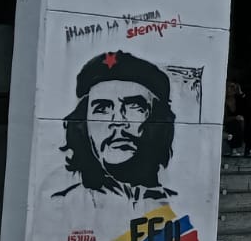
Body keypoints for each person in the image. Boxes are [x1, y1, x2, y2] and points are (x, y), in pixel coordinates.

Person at [54, 50, 179, 206]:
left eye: (134, 106)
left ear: (158, 120)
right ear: (82, 125)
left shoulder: (178, 206)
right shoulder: (61, 207)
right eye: (102, 109)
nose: (118, 121)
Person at [223, 77, 251, 158]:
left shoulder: (238, 99)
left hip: (239, 123)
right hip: (228, 123)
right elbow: (224, 118)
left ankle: (249, 149)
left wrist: (241, 93)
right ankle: (234, 149)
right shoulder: (223, 100)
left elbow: (248, 109)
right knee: (237, 123)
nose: (231, 89)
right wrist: (235, 118)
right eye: (229, 87)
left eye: (233, 87)